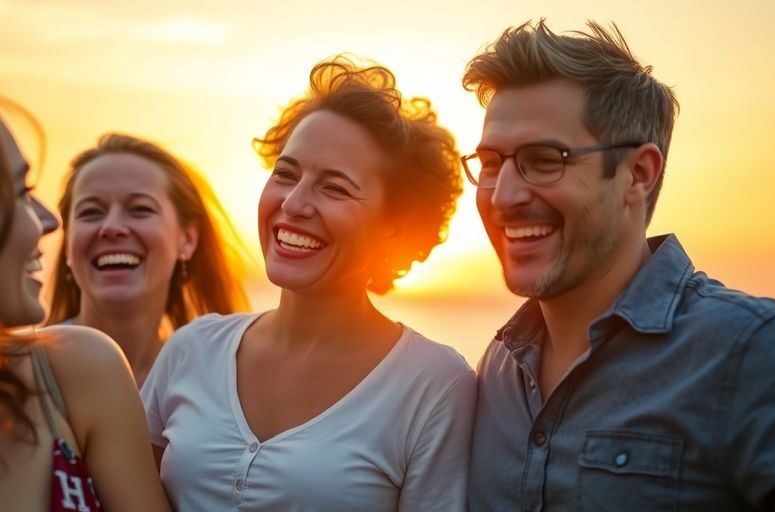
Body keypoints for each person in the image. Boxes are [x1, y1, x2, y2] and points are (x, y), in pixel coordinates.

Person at [463, 20, 775, 511]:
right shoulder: (496, 373)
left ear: (638, 174)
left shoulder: (762, 354)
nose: (505, 196)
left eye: (544, 159)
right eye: (491, 162)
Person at [141, 56, 476, 511]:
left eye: (335, 188)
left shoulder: (434, 385)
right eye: (285, 174)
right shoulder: (191, 350)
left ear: (395, 226)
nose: (294, 203)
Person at [0, 101, 170, 511]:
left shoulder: (75, 370)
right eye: (21, 194)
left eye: (140, 209)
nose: (49, 221)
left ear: (189, 239)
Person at [47, 133, 250, 386]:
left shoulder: (215, 384)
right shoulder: (21, 373)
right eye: (90, 212)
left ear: (187, 239)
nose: (111, 227)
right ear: (67, 244)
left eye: (140, 209)